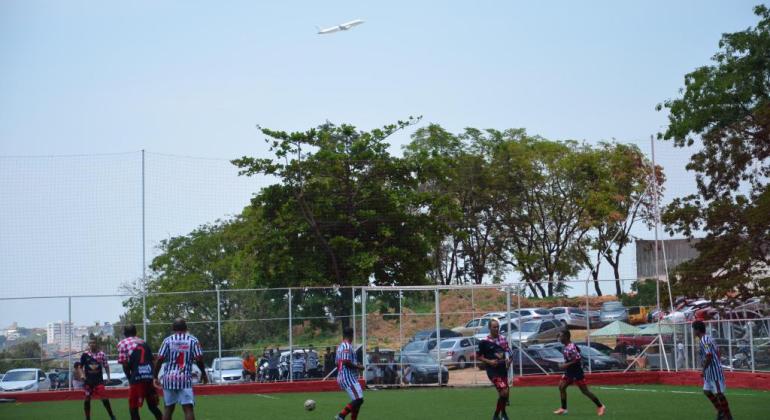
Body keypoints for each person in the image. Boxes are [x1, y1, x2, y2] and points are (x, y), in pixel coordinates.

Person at [153, 318, 208, 420]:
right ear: (186, 328)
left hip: (169, 378)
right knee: (188, 409)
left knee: (168, 408)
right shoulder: (193, 340)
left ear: (173, 328)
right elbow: (199, 359)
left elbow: (159, 359)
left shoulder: (167, 340)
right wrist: (204, 374)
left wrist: (155, 376)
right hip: (185, 378)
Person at [553, 330, 605, 416]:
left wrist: (565, 365)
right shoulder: (567, 346)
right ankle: (563, 409)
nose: (559, 338)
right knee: (561, 387)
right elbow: (577, 352)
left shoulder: (571, 347)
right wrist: (558, 335)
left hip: (576, 372)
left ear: (566, 337)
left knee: (585, 391)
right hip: (569, 371)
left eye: (561, 336)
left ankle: (601, 406)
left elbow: (577, 359)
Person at [118, 324, 162, 420]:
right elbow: (152, 361)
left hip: (136, 378)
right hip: (149, 377)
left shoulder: (123, 343)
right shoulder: (143, 342)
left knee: (133, 408)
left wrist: (130, 378)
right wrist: (154, 377)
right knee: (153, 406)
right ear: (136, 332)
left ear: (124, 333)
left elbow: (125, 364)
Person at [693, 320, 732, 420]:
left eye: (694, 329)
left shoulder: (704, 340)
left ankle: (728, 416)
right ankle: (721, 412)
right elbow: (718, 352)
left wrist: (703, 369)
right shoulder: (708, 338)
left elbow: (709, 355)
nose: (693, 332)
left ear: (697, 330)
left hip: (713, 371)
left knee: (719, 393)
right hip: (709, 371)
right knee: (706, 391)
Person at [476, 319, 512, 420]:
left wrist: (509, 361)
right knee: (504, 392)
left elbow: (509, 352)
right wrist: (490, 361)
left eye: (497, 327)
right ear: (489, 328)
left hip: (503, 369)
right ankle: (499, 415)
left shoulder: (503, 339)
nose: (496, 329)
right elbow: (478, 356)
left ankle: (500, 415)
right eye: (494, 327)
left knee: (504, 394)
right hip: (493, 371)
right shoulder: (484, 342)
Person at [79, 336, 117, 420]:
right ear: (89, 345)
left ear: (96, 344)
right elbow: (80, 367)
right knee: (87, 400)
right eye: (90, 343)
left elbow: (106, 366)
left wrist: (108, 377)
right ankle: (87, 418)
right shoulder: (85, 355)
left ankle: (111, 415)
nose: (92, 344)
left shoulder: (101, 354)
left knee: (104, 399)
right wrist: (82, 374)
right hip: (88, 382)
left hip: (99, 381)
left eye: (94, 343)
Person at [334, 327, 365, 420]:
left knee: (357, 400)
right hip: (347, 377)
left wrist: (355, 364)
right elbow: (346, 362)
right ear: (352, 335)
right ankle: (341, 416)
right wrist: (358, 367)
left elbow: (337, 363)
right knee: (358, 399)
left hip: (346, 376)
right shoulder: (346, 346)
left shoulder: (340, 347)